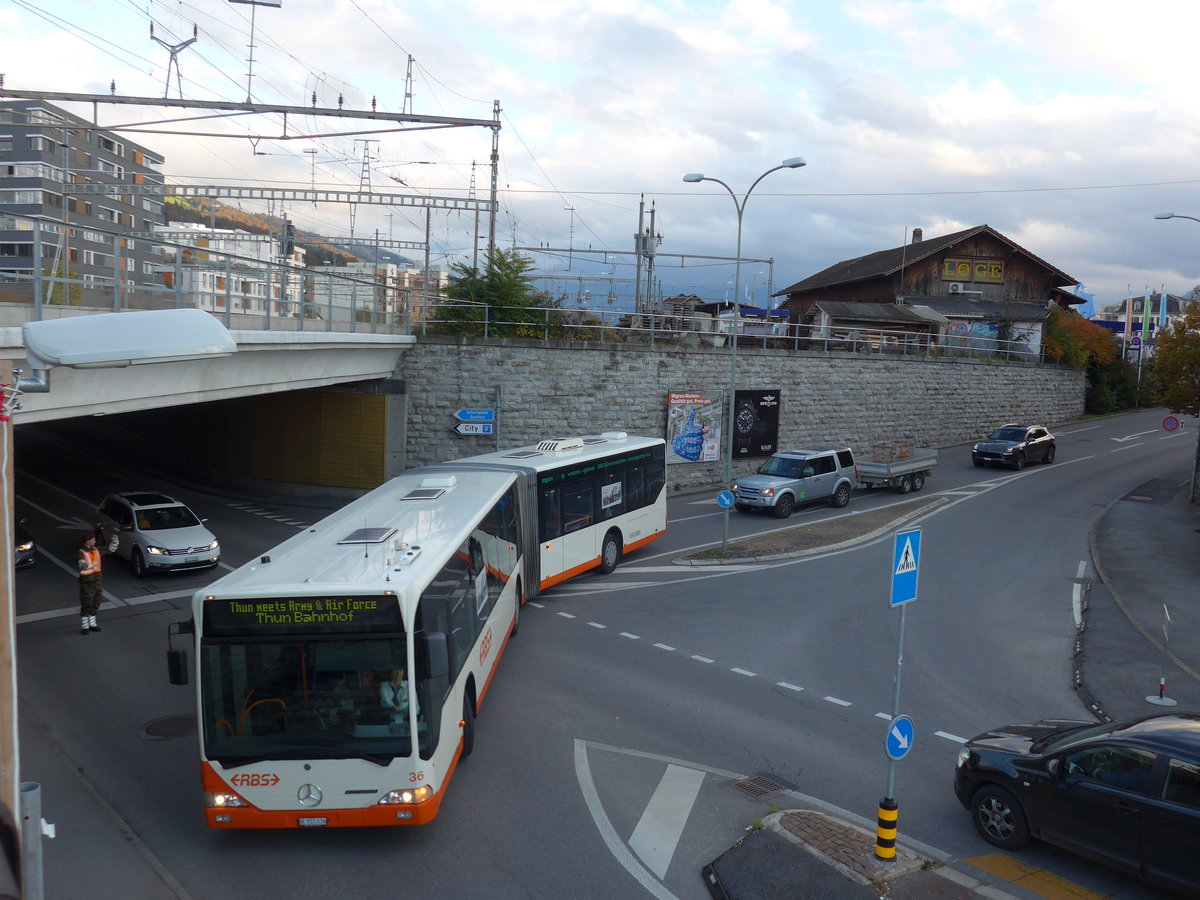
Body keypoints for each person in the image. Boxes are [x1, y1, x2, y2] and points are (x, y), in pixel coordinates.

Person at [77, 525, 118, 635]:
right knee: (86, 603)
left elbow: (110, 549)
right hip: (86, 584)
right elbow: (81, 561)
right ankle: (85, 626)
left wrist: (115, 538)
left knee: (96, 602)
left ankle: (93, 624)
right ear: (88, 541)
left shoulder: (97, 550)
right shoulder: (81, 552)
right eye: (93, 540)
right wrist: (82, 564)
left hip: (97, 582)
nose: (95, 541)